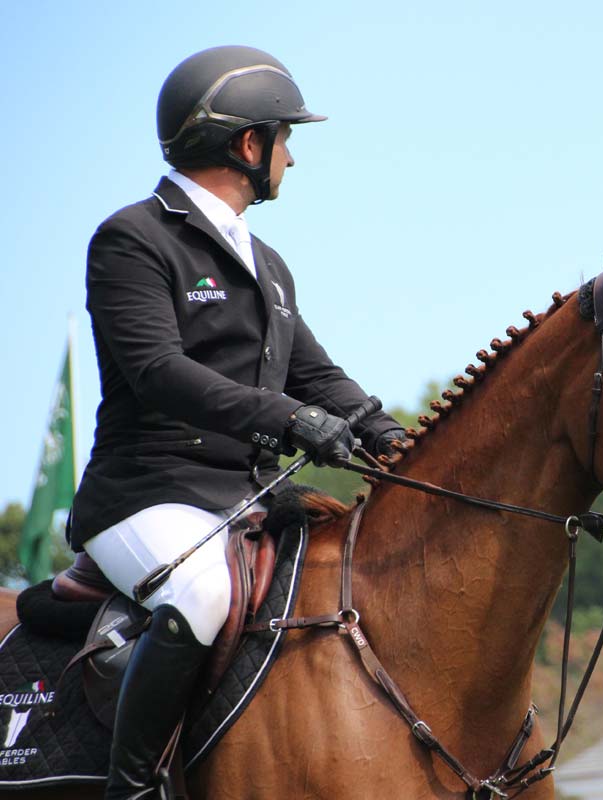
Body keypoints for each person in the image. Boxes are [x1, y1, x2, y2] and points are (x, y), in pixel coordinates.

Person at [70, 45, 406, 798]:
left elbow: (312, 371)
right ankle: (133, 788)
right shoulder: (134, 239)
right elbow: (157, 370)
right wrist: (288, 418)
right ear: (249, 145)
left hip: (241, 501)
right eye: (285, 139)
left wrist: (389, 436)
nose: (292, 157)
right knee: (202, 594)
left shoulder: (269, 263)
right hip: (147, 494)